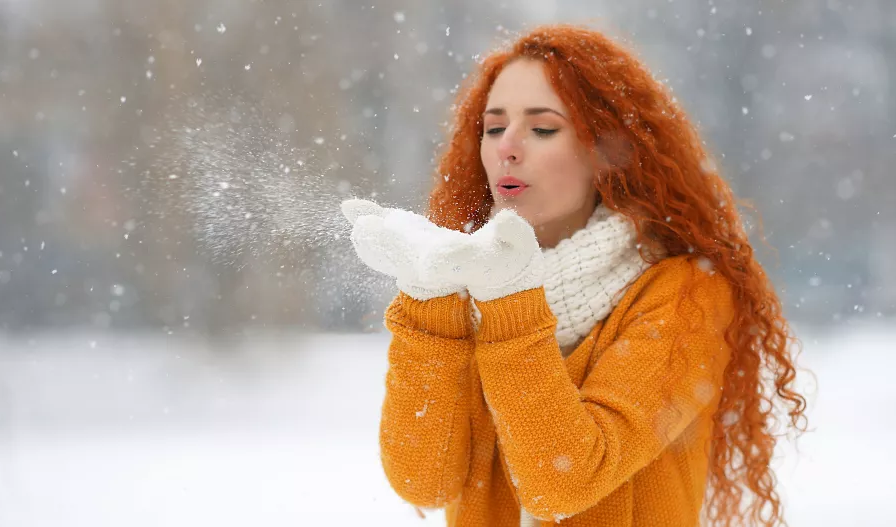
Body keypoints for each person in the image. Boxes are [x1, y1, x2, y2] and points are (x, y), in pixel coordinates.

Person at [341, 24, 807, 527]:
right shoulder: (464, 285)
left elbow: (562, 482)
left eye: (542, 129)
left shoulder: (686, 296)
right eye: (493, 128)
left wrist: (511, 303)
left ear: (603, 151)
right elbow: (423, 482)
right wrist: (427, 299)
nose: (508, 148)